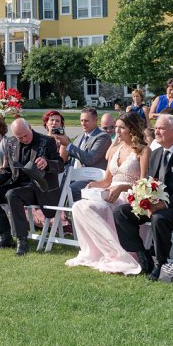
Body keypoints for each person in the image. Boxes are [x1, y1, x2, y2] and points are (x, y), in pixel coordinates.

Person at [113, 114, 173, 279]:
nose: (156, 131)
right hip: (157, 204)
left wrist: (164, 203)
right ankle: (143, 257)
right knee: (121, 212)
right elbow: (149, 182)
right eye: (155, 128)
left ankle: (161, 263)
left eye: (161, 128)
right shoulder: (156, 153)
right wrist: (144, 199)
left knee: (159, 217)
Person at [65, 112, 150, 275]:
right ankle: (100, 251)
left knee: (89, 208)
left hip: (129, 195)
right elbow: (106, 180)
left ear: (132, 129)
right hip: (109, 192)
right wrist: (93, 185)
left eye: (121, 128)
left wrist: (121, 188)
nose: (116, 131)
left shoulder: (143, 150)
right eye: (116, 127)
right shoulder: (115, 150)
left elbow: (143, 181)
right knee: (79, 206)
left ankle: (118, 254)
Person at [0, 117, 62, 255]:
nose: (24, 139)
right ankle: (5, 236)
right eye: (19, 137)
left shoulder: (47, 141)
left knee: (12, 195)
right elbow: (7, 170)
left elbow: (60, 165)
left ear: (30, 127)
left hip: (39, 188)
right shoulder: (11, 143)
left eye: (25, 135)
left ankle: (22, 240)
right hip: (17, 185)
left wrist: (47, 163)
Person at [50, 107, 112, 200]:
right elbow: (67, 159)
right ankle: (56, 213)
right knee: (53, 184)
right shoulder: (78, 138)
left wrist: (68, 144)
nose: (83, 123)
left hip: (93, 178)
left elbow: (90, 159)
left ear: (95, 120)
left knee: (72, 188)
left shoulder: (103, 137)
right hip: (73, 175)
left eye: (86, 121)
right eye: (81, 120)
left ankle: (74, 213)